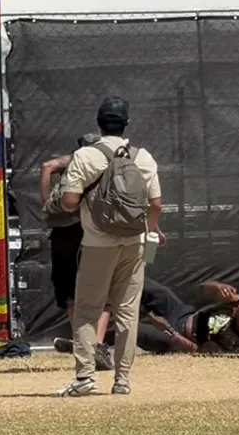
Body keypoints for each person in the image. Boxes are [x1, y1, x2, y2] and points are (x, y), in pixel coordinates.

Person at [52, 97, 163, 397]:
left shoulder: (86, 156)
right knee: (127, 312)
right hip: (135, 243)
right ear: (126, 124)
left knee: (89, 308)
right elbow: (156, 204)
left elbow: (69, 201)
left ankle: (86, 377)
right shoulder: (143, 157)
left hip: (98, 243)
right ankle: (122, 379)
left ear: (99, 123)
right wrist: (151, 230)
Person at [39, 133, 113, 372]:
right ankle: (98, 345)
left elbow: (47, 166)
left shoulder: (71, 163)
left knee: (69, 292)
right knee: (103, 288)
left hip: (64, 234)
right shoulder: (107, 164)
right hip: (96, 232)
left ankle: (84, 346)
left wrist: (47, 202)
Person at [136, 276, 239, 354]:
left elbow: (197, 352)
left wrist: (168, 330)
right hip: (182, 313)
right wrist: (214, 286)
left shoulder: (233, 343)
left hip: (175, 336)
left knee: (133, 331)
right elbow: (200, 289)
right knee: (157, 291)